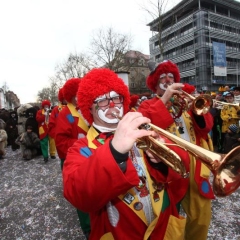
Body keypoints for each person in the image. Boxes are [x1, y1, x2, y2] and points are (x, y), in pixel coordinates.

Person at [63, 68, 190, 240]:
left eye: (116, 97)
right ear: (89, 108)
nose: (113, 105)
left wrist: (160, 162)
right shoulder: (81, 148)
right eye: (102, 101)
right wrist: (114, 152)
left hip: (164, 228)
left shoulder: (143, 129)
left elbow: (184, 165)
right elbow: (78, 194)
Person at [138, 60, 214, 240]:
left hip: (195, 166)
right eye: (162, 78)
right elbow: (145, 127)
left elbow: (205, 128)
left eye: (170, 76)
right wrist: (164, 101)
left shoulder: (184, 103)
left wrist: (196, 112)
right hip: (169, 168)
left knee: (201, 216)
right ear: (155, 84)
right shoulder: (147, 105)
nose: (167, 80)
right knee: (170, 218)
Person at [54, 78, 90, 239]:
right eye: (78, 93)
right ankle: (87, 227)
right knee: (81, 193)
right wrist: (84, 144)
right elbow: (61, 142)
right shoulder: (66, 114)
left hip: (92, 158)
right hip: (74, 159)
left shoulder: (87, 109)